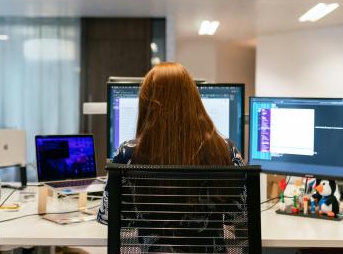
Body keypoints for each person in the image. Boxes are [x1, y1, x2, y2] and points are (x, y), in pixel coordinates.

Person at [97, 62, 244, 224]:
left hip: (154, 250)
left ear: (147, 104)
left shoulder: (127, 153)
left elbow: (108, 218)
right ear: (194, 100)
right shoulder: (226, 149)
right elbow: (240, 218)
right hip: (207, 249)